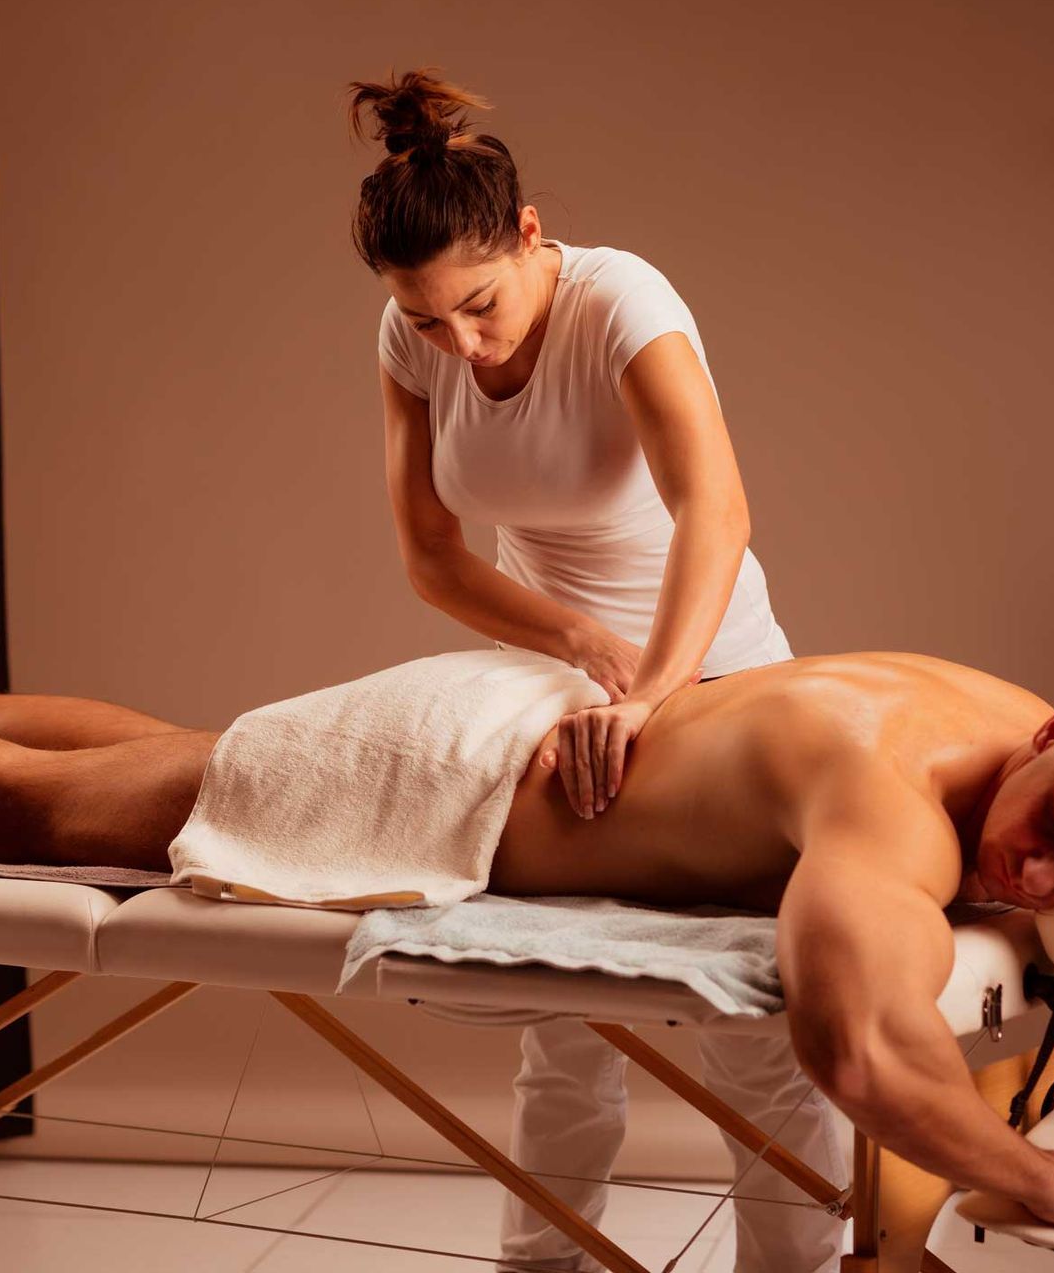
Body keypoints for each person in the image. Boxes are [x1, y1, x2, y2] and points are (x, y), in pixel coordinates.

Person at [0, 652, 1054, 1240]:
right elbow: (860, 1055)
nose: (1035, 881)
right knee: (44, 820)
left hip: (504, 736)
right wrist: (1035, 1181)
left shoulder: (1047, 749)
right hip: (445, 781)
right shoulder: (892, 806)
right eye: (1050, 833)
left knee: (175, 760)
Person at [346, 68, 819, 1270]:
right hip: (566, 687)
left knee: (748, 1015)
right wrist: (582, 648)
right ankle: (544, 1260)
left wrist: (655, 681)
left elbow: (717, 509)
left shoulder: (622, 300)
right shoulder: (409, 332)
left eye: (483, 306)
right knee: (555, 1004)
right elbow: (434, 558)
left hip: (712, 674)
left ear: (529, 234)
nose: (461, 339)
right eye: (429, 317)